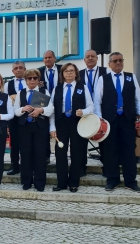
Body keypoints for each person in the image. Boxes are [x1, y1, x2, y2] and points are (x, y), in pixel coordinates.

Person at [94, 52, 140, 193]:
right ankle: (112, 180)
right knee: (111, 151)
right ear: (109, 64)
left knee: (129, 151)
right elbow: (97, 101)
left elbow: (138, 99)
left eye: (120, 60)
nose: (118, 63)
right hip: (109, 121)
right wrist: (100, 120)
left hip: (127, 120)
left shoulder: (131, 77)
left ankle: (131, 181)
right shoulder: (103, 79)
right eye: (115, 61)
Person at [49, 63, 93, 193]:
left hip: (77, 123)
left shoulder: (82, 87)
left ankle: (74, 183)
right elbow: (52, 110)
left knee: (77, 152)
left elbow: (91, 106)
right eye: (66, 71)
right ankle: (61, 183)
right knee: (60, 153)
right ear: (62, 74)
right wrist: (52, 127)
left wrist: (84, 112)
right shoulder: (56, 89)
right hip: (61, 122)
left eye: (71, 71)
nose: (69, 73)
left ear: (76, 73)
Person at [14, 69, 54, 192]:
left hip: (39, 127)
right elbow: (15, 111)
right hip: (25, 127)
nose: (32, 80)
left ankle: (40, 182)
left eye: (35, 78)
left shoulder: (44, 91)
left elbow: (51, 108)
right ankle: (26, 182)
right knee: (25, 155)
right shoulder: (20, 93)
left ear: (38, 80)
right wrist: (22, 109)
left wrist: (40, 110)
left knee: (40, 155)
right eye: (29, 78)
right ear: (25, 80)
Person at [79, 49, 110, 177]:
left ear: (97, 58)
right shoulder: (79, 74)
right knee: (81, 140)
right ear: (84, 60)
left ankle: (106, 167)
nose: (90, 58)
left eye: (93, 56)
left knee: (104, 139)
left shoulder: (105, 72)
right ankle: (81, 167)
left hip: (102, 109)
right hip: (84, 111)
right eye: (88, 57)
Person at [38, 50, 62, 164]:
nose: (48, 59)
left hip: (60, 102)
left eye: (50, 57)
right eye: (46, 58)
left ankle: (60, 156)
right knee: (44, 132)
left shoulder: (62, 69)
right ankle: (46, 157)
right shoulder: (39, 71)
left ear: (54, 58)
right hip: (44, 104)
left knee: (61, 130)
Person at [4, 61, 27, 175]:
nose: (18, 70)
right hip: (13, 118)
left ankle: (26, 166)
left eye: (21, 68)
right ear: (13, 71)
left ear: (25, 69)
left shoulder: (30, 82)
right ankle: (15, 166)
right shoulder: (8, 84)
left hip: (27, 116)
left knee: (26, 142)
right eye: (16, 68)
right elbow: (6, 101)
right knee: (15, 143)